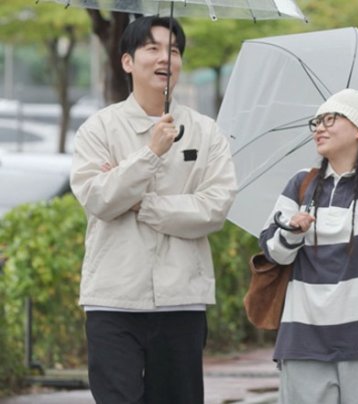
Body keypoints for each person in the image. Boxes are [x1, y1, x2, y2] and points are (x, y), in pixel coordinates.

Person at [69, 16, 237, 403]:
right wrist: (150, 154)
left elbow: (214, 208)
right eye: (153, 48)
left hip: (182, 300)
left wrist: (140, 202)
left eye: (174, 50)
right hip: (113, 299)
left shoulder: (206, 132)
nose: (166, 58)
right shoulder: (99, 129)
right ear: (127, 62)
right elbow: (99, 199)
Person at [259, 86, 358, 404]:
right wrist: (292, 231)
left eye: (330, 119)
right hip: (303, 337)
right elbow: (271, 250)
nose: (319, 127)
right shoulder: (301, 183)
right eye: (316, 121)